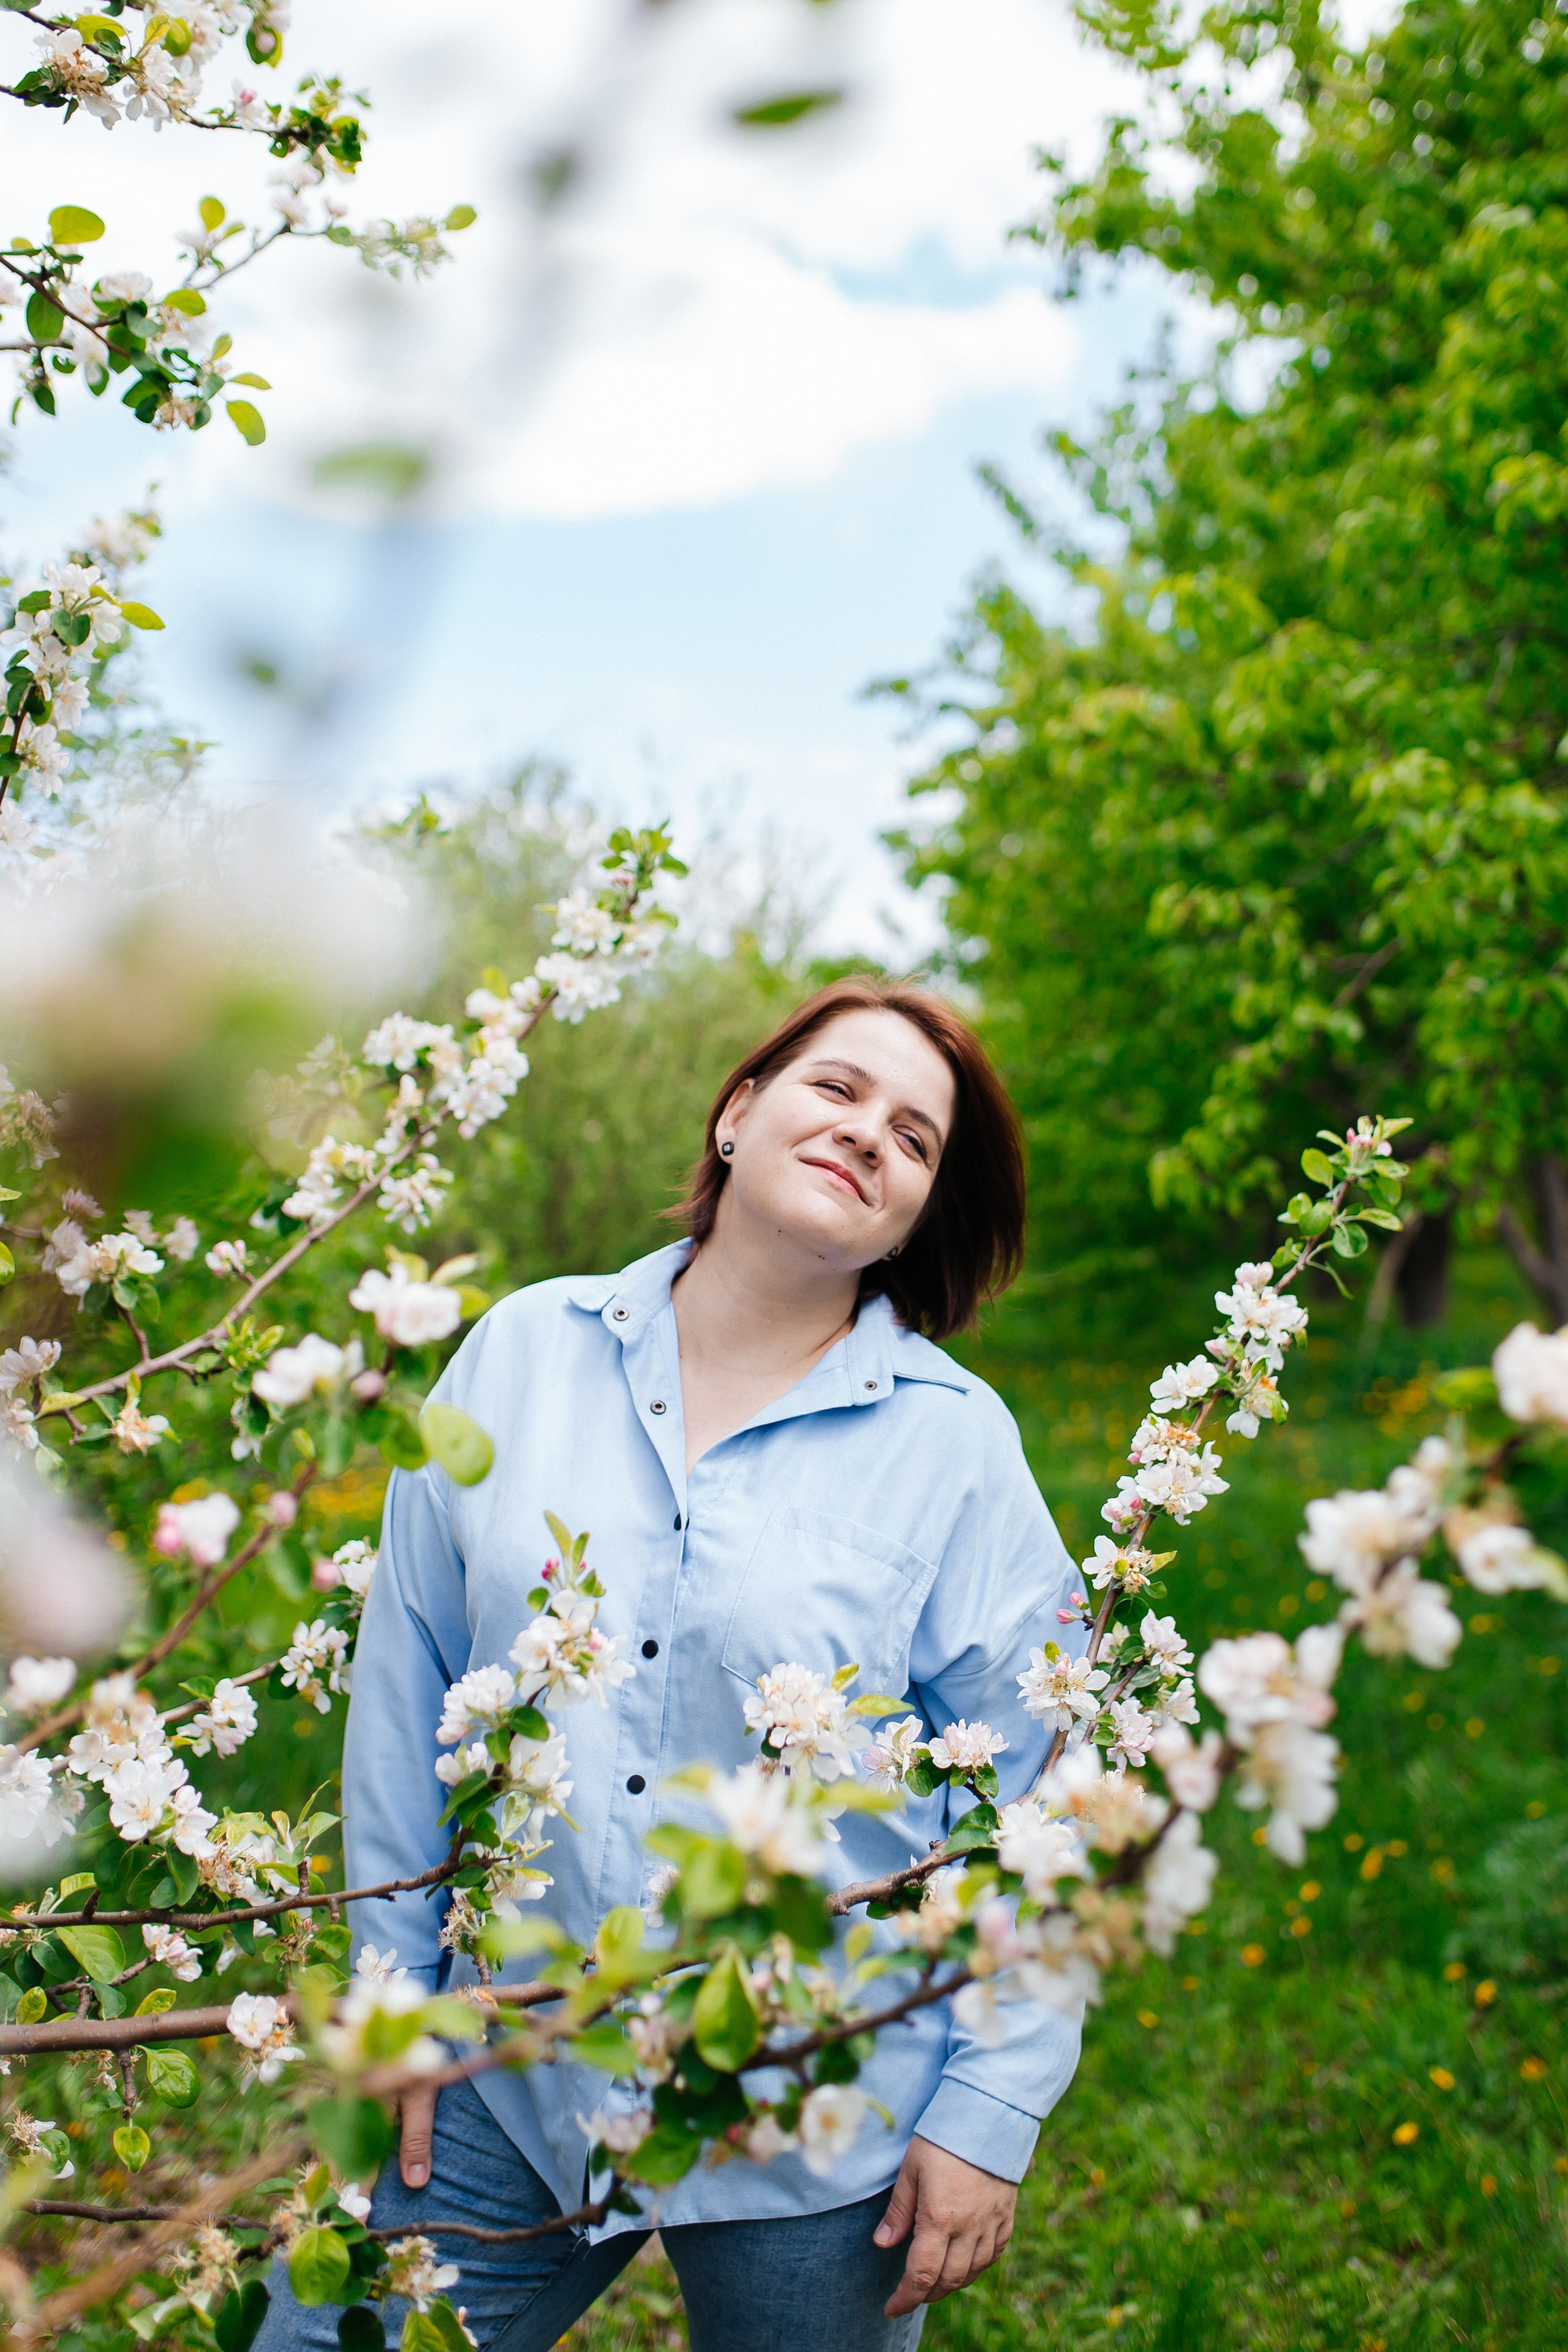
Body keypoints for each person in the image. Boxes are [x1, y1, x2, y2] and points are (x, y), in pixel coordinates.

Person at [257, 978, 1085, 2352]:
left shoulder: (954, 1445)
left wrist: (987, 2107)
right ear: (737, 1110)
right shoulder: (521, 1353)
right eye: (837, 1089)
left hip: (814, 2113)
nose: (869, 1133)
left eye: (916, 1138)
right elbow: (403, 1684)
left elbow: (1045, 1784)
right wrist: (389, 1998)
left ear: (918, 1212)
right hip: (504, 2058)